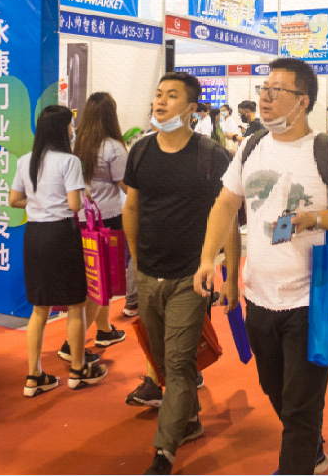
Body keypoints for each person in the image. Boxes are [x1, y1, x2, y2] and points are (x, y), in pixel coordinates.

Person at [195, 58, 328, 475]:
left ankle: (299, 461)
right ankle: (312, 448)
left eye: (277, 91)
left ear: (303, 100)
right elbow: (226, 204)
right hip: (259, 295)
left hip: (311, 298)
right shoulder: (251, 146)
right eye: (264, 89)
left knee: (299, 405)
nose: (265, 98)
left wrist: (314, 219)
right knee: (272, 387)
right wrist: (208, 260)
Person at [122, 72, 230, 475]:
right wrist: (138, 264)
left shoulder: (211, 155)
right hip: (149, 274)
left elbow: (229, 216)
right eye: (158, 95)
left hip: (191, 276)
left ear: (191, 108)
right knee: (164, 360)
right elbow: (132, 208)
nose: (160, 102)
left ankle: (163, 453)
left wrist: (228, 275)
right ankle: (190, 418)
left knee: (180, 362)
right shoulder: (141, 151)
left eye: (171, 96)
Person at [9, 105, 108, 397]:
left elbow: (14, 200)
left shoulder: (25, 160)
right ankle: (78, 370)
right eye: (70, 125)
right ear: (62, 129)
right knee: (76, 303)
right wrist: (82, 194)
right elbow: (75, 205)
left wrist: (39, 202)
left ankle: (34, 375)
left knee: (40, 308)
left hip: (34, 235)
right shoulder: (69, 161)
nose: (73, 130)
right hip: (62, 234)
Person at [72, 91, 128, 351]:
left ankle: (104, 330)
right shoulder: (113, 147)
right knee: (101, 282)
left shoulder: (77, 143)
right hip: (107, 220)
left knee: (92, 279)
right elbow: (126, 185)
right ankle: (72, 344)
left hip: (81, 219)